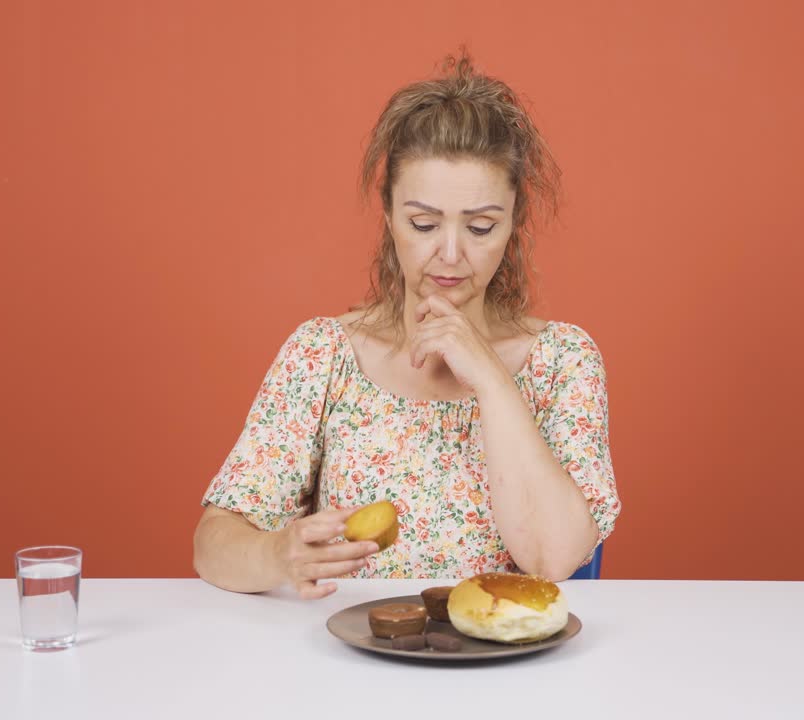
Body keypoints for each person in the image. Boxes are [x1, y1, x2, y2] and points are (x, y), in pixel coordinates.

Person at [193, 51, 620, 599]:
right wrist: (277, 553)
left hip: (508, 673)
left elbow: (553, 557)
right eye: (423, 222)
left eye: (482, 226)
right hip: (344, 668)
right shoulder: (323, 355)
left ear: (514, 222)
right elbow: (213, 545)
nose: (450, 254)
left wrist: (490, 377)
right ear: (389, 214)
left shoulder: (563, 361)